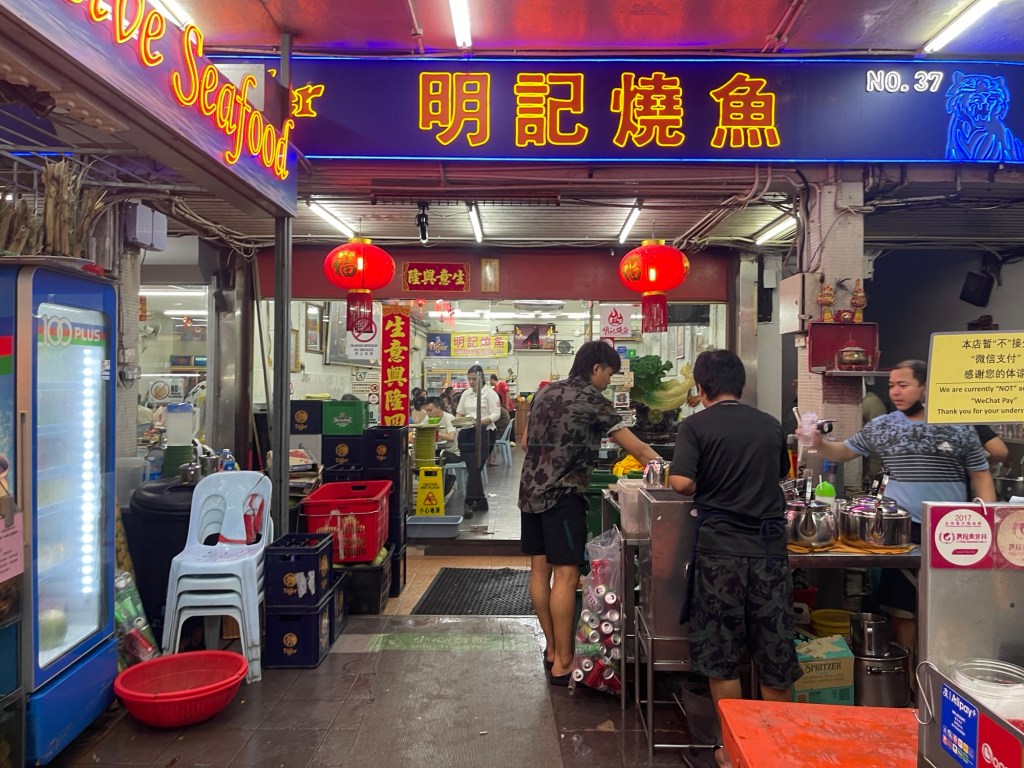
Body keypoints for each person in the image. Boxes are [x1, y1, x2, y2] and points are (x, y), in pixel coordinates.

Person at [805, 358, 995, 657]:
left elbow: (981, 476)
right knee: (901, 611)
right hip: (898, 532)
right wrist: (818, 441)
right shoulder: (883, 426)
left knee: (950, 609)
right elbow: (842, 452)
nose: (895, 391)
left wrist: (988, 524)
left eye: (903, 385)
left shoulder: (957, 426)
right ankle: (909, 680)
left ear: (924, 388)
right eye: (892, 385)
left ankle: (944, 670)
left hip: (951, 530)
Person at [667, 350, 801, 768]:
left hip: (720, 554)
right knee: (775, 652)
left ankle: (732, 751)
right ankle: (773, 752)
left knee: (723, 656)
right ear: (740, 386)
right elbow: (783, 473)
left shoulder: (695, 426)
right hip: (769, 555)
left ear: (701, 388)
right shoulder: (770, 424)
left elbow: (681, 482)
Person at [519, 341, 660, 686]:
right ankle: (564, 663)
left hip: (529, 493)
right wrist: (668, 469)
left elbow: (524, 443)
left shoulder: (545, 392)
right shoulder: (593, 400)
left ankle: (553, 650)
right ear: (596, 367)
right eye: (609, 374)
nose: (608, 381)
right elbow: (639, 449)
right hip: (563, 496)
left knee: (540, 573)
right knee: (566, 577)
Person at [455, 364, 502, 516]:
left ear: (481, 378)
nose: (471, 382)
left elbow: (496, 414)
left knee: (475, 467)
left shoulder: (489, 393)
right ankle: (481, 501)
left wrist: (482, 421)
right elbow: (459, 412)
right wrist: (458, 422)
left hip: (485, 433)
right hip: (467, 434)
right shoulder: (466, 394)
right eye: (469, 379)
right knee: (472, 468)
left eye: (474, 379)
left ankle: (468, 503)